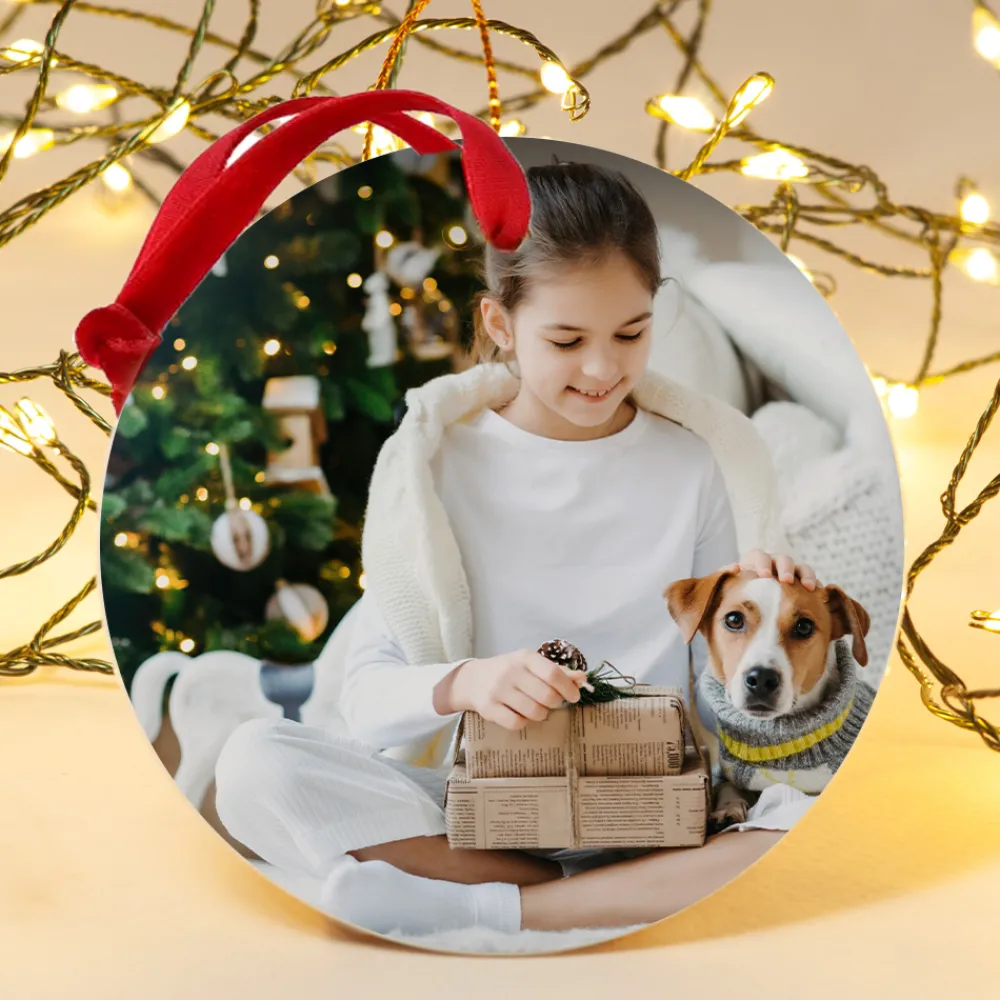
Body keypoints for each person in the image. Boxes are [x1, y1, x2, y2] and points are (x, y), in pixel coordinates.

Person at [214, 161, 817, 939]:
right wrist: (469, 681)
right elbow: (365, 700)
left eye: (631, 333)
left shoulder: (699, 464)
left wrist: (772, 623)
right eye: (566, 340)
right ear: (500, 323)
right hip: (481, 804)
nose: (603, 369)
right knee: (253, 764)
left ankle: (498, 904)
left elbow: (726, 707)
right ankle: (597, 893)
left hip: (656, 808)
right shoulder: (437, 466)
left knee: (812, 823)